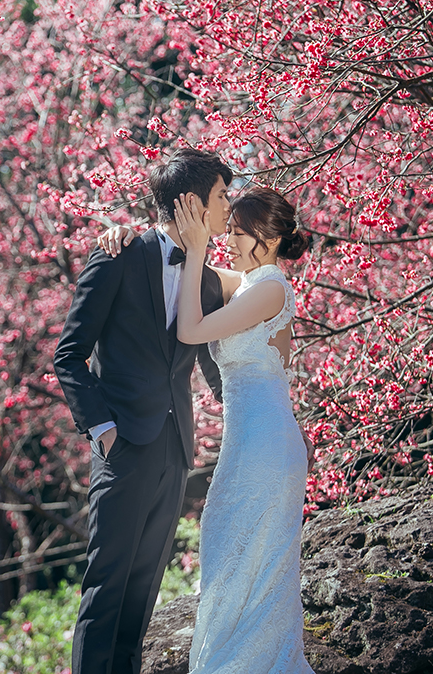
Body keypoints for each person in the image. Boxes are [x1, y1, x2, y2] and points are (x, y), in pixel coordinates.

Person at [98, 185, 315, 673]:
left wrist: (197, 251)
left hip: (265, 444)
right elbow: (168, 265)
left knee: (249, 556)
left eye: (241, 233)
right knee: (232, 550)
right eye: (231, 231)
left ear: (272, 236)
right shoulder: (248, 282)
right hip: (253, 440)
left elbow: (191, 330)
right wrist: (128, 236)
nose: (230, 240)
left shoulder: (271, 288)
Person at [54, 148, 234, 674]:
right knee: (107, 586)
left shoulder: (207, 278)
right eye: (222, 196)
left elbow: (214, 366)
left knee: (144, 591)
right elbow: (69, 354)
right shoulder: (119, 255)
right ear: (191, 203)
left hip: (177, 449)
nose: (228, 206)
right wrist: (102, 427)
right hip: (123, 444)